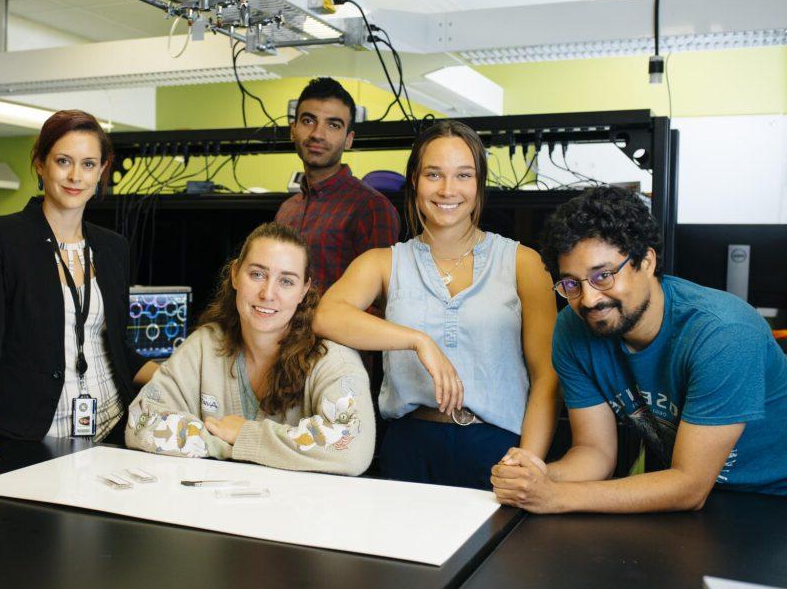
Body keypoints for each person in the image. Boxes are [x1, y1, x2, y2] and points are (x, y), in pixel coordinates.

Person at [492, 187, 787, 512]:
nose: (589, 299)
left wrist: (555, 496)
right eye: (572, 284)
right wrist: (537, 475)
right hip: (684, 497)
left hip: (772, 498)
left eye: (603, 276)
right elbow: (594, 452)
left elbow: (690, 486)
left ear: (646, 261)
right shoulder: (573, 329)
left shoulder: (723, 334)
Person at [314, 120, 560, 489]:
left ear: (479, 184)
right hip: (409, 445)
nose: (448, 189)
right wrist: (417, 341)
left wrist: (530, 459)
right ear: (414, 180)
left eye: (463, 175)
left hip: (498, 448)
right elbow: (326, 316)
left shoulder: (524, 263)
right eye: (434, 174)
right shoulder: (383, 262)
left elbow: (547, 378)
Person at [0, 109, 158, 475]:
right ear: (41, 165)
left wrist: (187, 379)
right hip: (32, 435)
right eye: (63, 161)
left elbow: (116, 348)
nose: (76, 176)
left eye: (89, 164)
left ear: (102, 170)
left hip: (111, 430)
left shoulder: (113, 247)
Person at [125, 223, 375, 476]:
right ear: (235, 274)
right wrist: (228, 444)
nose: (268, 293)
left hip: (299, 510)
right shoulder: (204, 345)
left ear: (303, 291)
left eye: (286, 281)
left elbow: (352, 450)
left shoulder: (332, 358)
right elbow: (140, 423)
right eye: (257, 274)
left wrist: (244, 434)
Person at [275, 77, 400, 293]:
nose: (317, 134)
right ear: (293, 129)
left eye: (333, 125)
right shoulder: (287, 210)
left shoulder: (371, 208)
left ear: (349, 139)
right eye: (308, 121)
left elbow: (380, 302)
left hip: (332, 328)